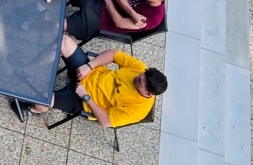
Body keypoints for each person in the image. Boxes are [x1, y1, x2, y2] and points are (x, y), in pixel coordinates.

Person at [27, 37, 167, 128]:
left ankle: (32, 110)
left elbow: (106, 122)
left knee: (41, 101)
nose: (137, 77)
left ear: (147, 93)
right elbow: (113, 54)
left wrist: (86, 96)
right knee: (64, 41)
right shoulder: (140, 68)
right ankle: (27, 68)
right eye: (141, 75)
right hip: (89, 72)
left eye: (140, 82)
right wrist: (90, 66)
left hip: (84, 100)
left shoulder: (138, 110)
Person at [64, 0, 172, 43]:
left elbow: (119, 22)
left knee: (62, 25)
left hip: (104, 21)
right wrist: (132, 13)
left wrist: (108, 1)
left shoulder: (153, 18)